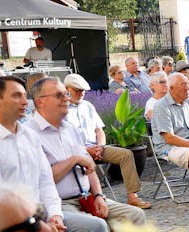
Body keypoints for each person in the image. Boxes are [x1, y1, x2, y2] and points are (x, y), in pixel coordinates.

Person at [0, 76, 111, 232]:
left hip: (42, 214)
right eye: (16, 96)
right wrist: (39, 223)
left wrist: (55, 215)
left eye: (24, 96)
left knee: (97, 227)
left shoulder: (29, 136)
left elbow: (46, 182)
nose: (25, 102)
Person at [30, 77, 147, 232]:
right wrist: (76, 159)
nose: (66, 98)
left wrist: (98, 195)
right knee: (98, 226)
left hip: (88, 192)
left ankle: (132, 195)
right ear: (40, 101)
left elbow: (96, 143)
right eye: (59, 95)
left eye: (66, 94)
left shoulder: (70, 127)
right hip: (60, 203)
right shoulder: (30, 134)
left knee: (136, 215)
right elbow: (43, 180)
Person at [62, 73, 152, 210]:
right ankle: (96, 200)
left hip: (96, 147)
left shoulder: (88, 106)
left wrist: (101, 146)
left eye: (83, 90)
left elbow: (99, 130)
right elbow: (65, 141)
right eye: (77, 90)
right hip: (77, 151)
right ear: (67, 89)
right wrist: (86, 150)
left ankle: (132, 196)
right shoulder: (62, 110)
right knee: (87, 160)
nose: (81, 93)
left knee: (126, 154)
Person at [151, 72, 189, 169]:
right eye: (183, 84)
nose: (188, 87)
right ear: (172, 88)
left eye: (188, 83)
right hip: (170, 148)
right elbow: (169, 138)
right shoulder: (161, 106)